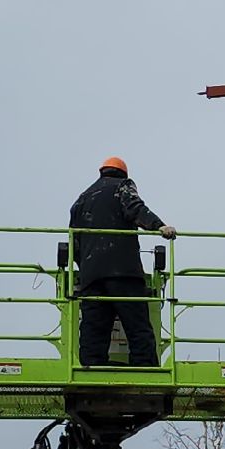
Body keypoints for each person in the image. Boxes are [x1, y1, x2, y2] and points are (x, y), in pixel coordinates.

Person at [68, 156, 176, 367]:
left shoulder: (81, 199)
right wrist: (158, 226)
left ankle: (91, 372)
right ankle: (146, 371)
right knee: (137, 326)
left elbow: (74, 243)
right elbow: (134, 207)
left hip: (92, 277)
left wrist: (86, 270)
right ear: (122, 174)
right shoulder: (123, 186)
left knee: (93, 329)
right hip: (123, 272)